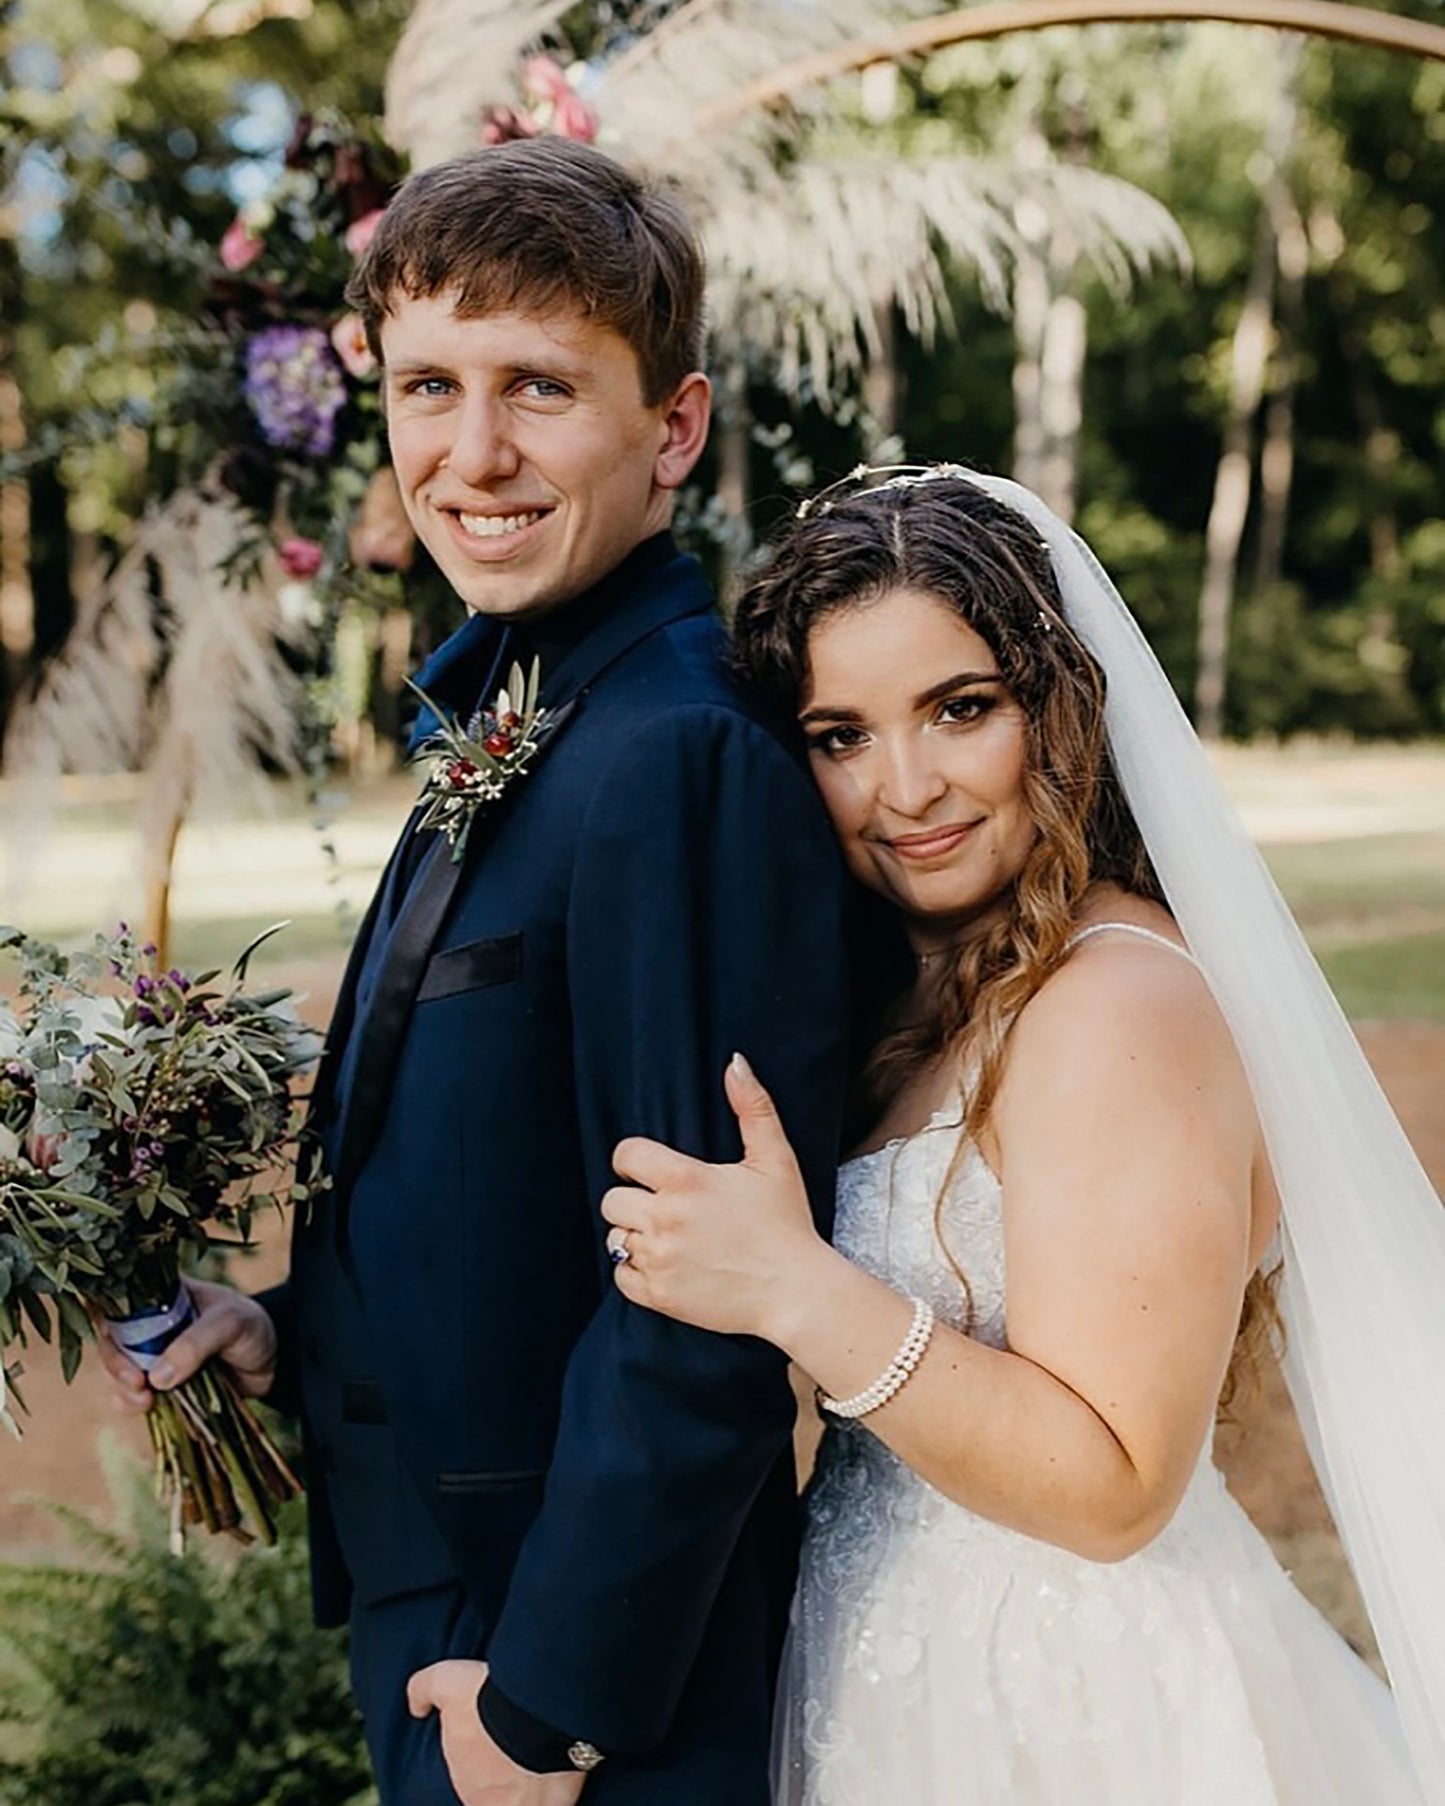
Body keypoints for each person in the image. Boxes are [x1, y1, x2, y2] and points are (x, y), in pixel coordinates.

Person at [99, 138, 851, 1805]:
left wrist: (544, 1713)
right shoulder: (528, 707)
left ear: (673, 428)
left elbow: (708, 1304)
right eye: (428, 386)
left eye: (538, 387)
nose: (471, 452)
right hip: (451, 1614)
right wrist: (277, 1333)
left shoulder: (676, 757)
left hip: (586, 1688)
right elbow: (510, 1194)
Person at [598, 466, 1445, 1803]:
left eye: (960, 708)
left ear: (1058, 705)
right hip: (888, 1667)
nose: (906, 786)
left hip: (1078, 1704)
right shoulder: (918, 990)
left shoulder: (1116, 1002)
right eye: (839, 734)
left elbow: (1113, 1485)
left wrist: (792, 1286)